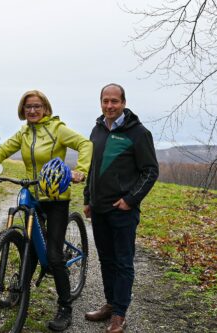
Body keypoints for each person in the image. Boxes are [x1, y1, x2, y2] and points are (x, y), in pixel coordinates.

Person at [0, 90, 93, 331]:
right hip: (33, 195)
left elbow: (84, 143)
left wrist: (81, 170)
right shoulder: (23, 133)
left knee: (54, 256)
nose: (32, 111)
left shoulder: (57, 129)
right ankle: (19, 290)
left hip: (56, 197)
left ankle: (65, 306)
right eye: (28, 107)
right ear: (22, 110)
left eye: (36, 106)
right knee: (30, 245)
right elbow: (3, 150)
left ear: (45, 108)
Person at [83, 83, 159, 333]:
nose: (109, 106)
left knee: (123, 262)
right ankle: (109, 304)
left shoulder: (138, 133)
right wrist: (87, 198)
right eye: (105, 101)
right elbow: (93, 168)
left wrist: (131, 199)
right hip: (100, 208)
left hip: (123, 210)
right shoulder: (97, 129)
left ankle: (119, 314)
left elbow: (150, 171)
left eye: (114, 101)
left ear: (124, 103)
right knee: (106, 260)